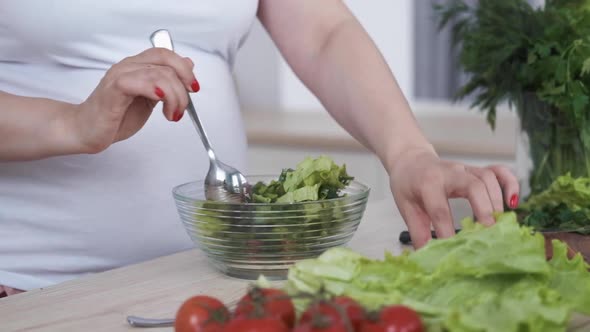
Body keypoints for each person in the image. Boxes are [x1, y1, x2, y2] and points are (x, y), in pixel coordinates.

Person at [0, 0, 519, 297]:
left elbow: (323, 31)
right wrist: (72, 124)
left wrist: (409, 153)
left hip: (207, 286)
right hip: (31, 293)